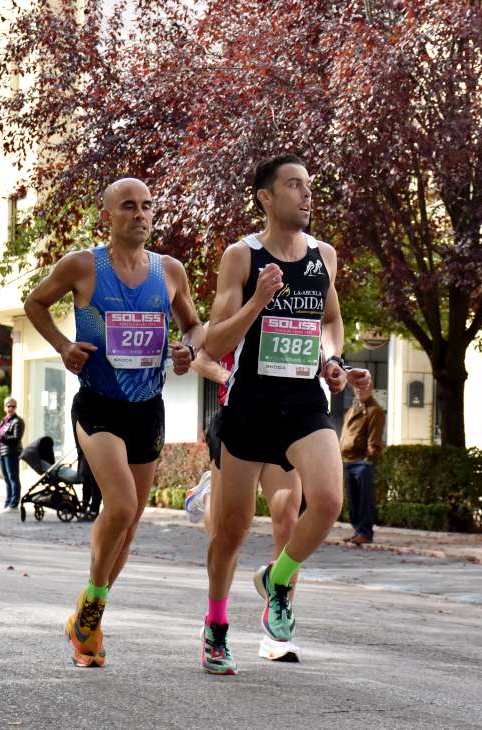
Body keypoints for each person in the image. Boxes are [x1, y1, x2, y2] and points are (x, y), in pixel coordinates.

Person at [22, 176, 203, 668]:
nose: (140, 214)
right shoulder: (82, 266)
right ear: (107, 215)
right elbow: (34, 303)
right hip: (98, 403)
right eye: (128, 206)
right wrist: (62, 346)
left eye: (147, 206)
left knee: (131, 521)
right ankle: (95, 601)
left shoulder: (170, 271)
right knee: (119, 506)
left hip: (148, 407)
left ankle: (88, 621)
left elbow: (193, 323)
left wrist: (189, 347)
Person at [201, 154, 369, 675]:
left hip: (302, 401)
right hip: (249, 403)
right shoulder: (241, 256)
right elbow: (213, 339)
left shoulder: (324, 256)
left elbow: (331, 320)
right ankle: (216, 626)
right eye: (294, 185)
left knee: (327, 501)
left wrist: (333, 360)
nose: (306, 193)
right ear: (266, 197)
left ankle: (278, 580)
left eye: (309, 185)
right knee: (230, 532)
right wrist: (257, 302)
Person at [184, 344, 305, 667]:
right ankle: (210, 494)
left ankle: (277, 633)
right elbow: (200, 354)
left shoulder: (293, 306)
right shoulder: (240, 299)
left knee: (289, 520)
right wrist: (228, 376)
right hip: (238, 419)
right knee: (230, 529)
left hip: (284, 418)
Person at [341, 371, 385, 546]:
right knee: (354, 500)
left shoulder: (374, 411)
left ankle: (365, 532)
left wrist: (368, 459)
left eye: (364, 386)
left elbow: (374, 440)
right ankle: (358, 531)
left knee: (364, 500)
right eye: (357, 387)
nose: (360, 390)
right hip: (348, 460)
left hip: (361, 462)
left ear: (371, 388)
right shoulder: (353, 408)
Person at [0, 397, 25, 513]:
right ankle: (7, 503)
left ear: (16, 407)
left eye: (13, 406)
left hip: (11, 453)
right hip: (2, 452)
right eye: (8, 406)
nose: (10, 408)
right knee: (7, 479)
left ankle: (14, 504)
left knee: (13, 478)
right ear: (4, 407)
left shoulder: (18, 421)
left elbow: (16, 439)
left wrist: (0, 437)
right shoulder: (4, 420)